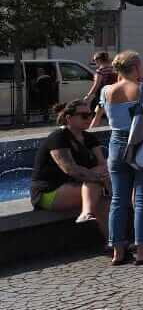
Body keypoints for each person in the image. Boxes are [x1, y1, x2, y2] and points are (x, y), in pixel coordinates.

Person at [90, 50, 143, 266]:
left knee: (118, 200)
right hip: (142, 145)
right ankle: (141, 251)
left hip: (116, 146)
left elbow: (104, 114)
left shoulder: (106, 91)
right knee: (142, 199)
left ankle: (118, 252)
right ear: (136, 67)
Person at [29, 99, 110, 241]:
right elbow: (70, 169)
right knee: (101, 199)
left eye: (90, 115)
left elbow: (103, 165)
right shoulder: (58, 138)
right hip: (49, 192)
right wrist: (99, 179)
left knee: (103, 189)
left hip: (79, 185)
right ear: (69, 118)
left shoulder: (89, 138)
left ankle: (117, 243)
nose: (89, 118)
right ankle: (113, 241)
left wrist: (103, 177)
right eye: (84, 116)